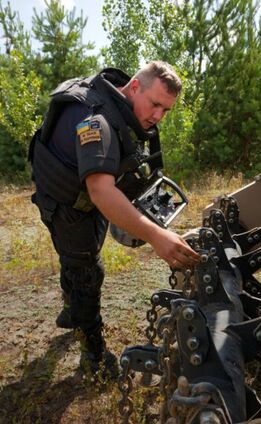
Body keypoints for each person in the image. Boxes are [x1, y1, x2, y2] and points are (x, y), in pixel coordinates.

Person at [29, 61, 200, 378]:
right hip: (65, 200)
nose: (158, 116)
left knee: (80, 259)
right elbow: (101, 192)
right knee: (86, 272)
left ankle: (71, 308)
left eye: (166, 110)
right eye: (156, 105)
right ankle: (93, 359)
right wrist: (156, 237)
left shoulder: (124, 108)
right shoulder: (96, 120)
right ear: (135, 86)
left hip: (85, 191)